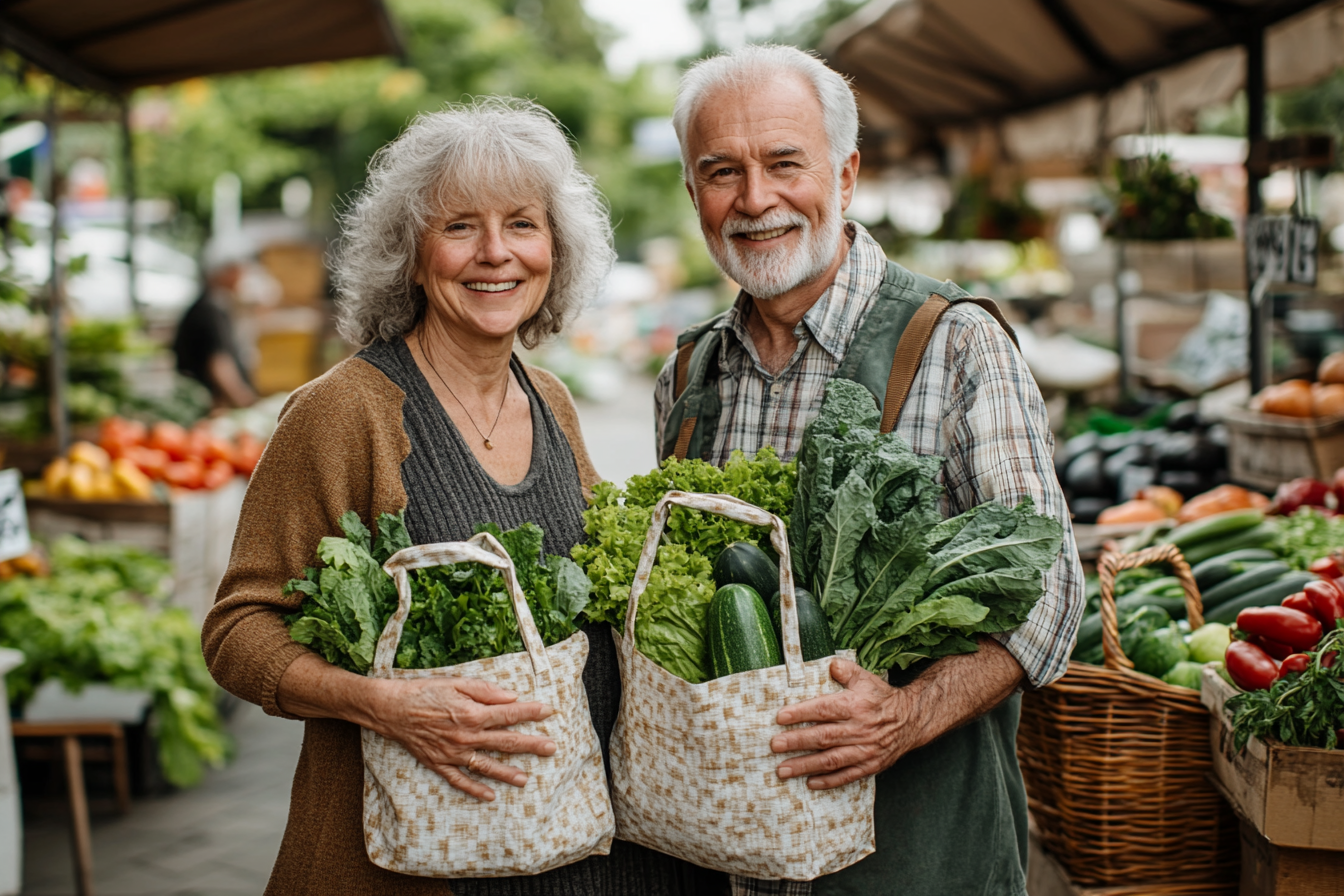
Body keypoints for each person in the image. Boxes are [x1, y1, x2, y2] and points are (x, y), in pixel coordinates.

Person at [202, 99, 704, 896]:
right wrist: (380, 703)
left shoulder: (552, 400)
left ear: (556, 250)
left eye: (523, 225)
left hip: (577, 845)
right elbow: (237, 631)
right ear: (411, 252)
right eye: (460, 226)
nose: (496, 253)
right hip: (420, 859)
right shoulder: (342, 413)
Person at [655, 46, 1085, 896]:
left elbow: (1053, 591)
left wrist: (905, 714)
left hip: (921, 860)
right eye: (721, 172)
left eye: (785, 164)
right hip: (735, 863)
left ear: (845, 175)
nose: (754, 200)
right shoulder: (689, 374)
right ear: (693, 194)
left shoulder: (955, 344)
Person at [172, 259, 259, 408]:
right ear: (226, 273)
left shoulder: (210, 305)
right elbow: (218, 363)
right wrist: (244, 400)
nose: (243, 278)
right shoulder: (209, 310)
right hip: (210, 404)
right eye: (239, 272)